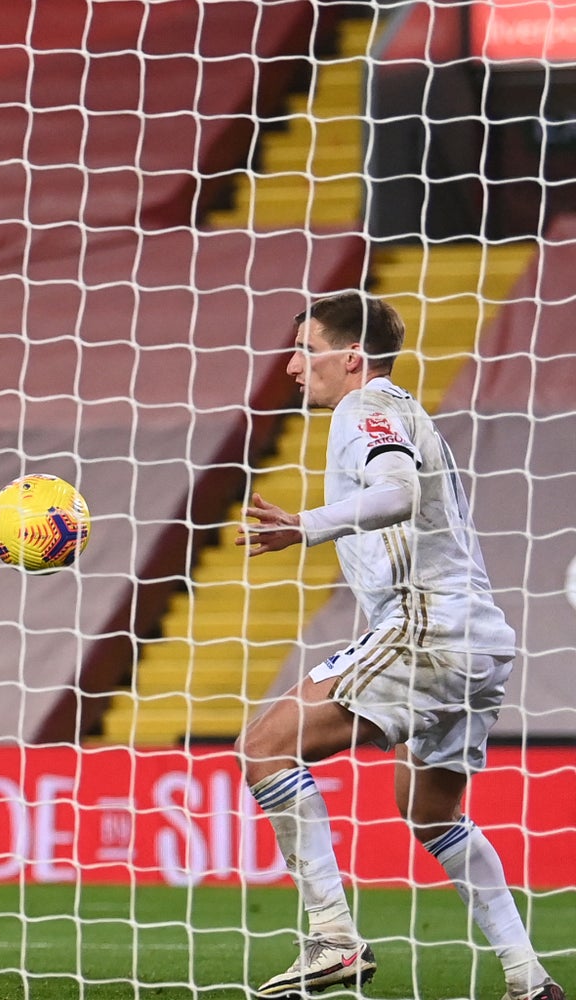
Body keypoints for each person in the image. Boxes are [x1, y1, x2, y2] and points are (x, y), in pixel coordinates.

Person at [236, 291, 562, 1000]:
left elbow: (396, 491)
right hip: (480, 640)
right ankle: (528, 979)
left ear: (350, 357)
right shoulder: (400, 408)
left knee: (264, 745)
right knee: (432, 812)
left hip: (429, 629)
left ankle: (333, 939)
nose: (293, 365)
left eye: (306, 348)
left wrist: (307, 525)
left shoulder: (366, 407)